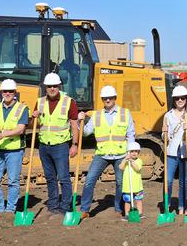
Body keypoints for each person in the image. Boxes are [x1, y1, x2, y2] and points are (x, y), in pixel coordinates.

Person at [78, 85, 135, 219]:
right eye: (105, 98)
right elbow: (86, 132)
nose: (107, 100)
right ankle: (84, 210)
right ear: (102, 99)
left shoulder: (125, 113)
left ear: (115, 98)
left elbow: (131, 133)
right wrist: (79, 121)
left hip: (120, 154)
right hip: (102, 154)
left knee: (121, 183)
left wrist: (130, 152)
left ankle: (118, 208)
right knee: (89, 180)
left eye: (110, 98)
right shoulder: (96, 115)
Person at [30, 72, 79, 216]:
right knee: (50, 178)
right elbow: (33, 125)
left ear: (59, 86)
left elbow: (74, 125)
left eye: (55, 86)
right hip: (44, 146)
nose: (52, 89)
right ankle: (52, 204)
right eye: (49, 86)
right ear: (45, 87)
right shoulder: (39, 102)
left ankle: (66, 206)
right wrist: (34, 117)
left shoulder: (69, 102)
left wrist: (74, 144)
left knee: (63, 177)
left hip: (61, 145)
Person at [0, 79, 29, 214]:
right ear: (1, 92)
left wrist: (3, 134)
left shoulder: (22, 108)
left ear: (15, 92)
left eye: (10, 91)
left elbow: (21, 129)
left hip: (14, 150)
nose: (7, 93)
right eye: (5, 91)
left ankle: (11, 209)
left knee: (13, 182)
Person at [162, 85, 187, 216]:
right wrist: (164, 132)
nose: (180, 100)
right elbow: (165, 137)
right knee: (168, 180)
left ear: (186, 99)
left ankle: (182, 206)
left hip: (186, 151)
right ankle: (167, 205)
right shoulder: (167, 115)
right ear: (174, 100)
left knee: (184, 181)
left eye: (182, 98)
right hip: (172, 152)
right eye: (177, 98)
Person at [120, 140, 144, 219]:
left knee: (139, 200)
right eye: (132, 151)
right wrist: (125, 160)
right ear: (128, 152)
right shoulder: (126, 161)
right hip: (127, 186)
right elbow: (120, 167)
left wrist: (132, 161)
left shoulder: (139, 161)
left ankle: (140, 213)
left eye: (136, 151)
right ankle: (127, 214)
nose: (134, 153)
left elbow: (137, 168)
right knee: (127, 201)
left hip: (137, 186)